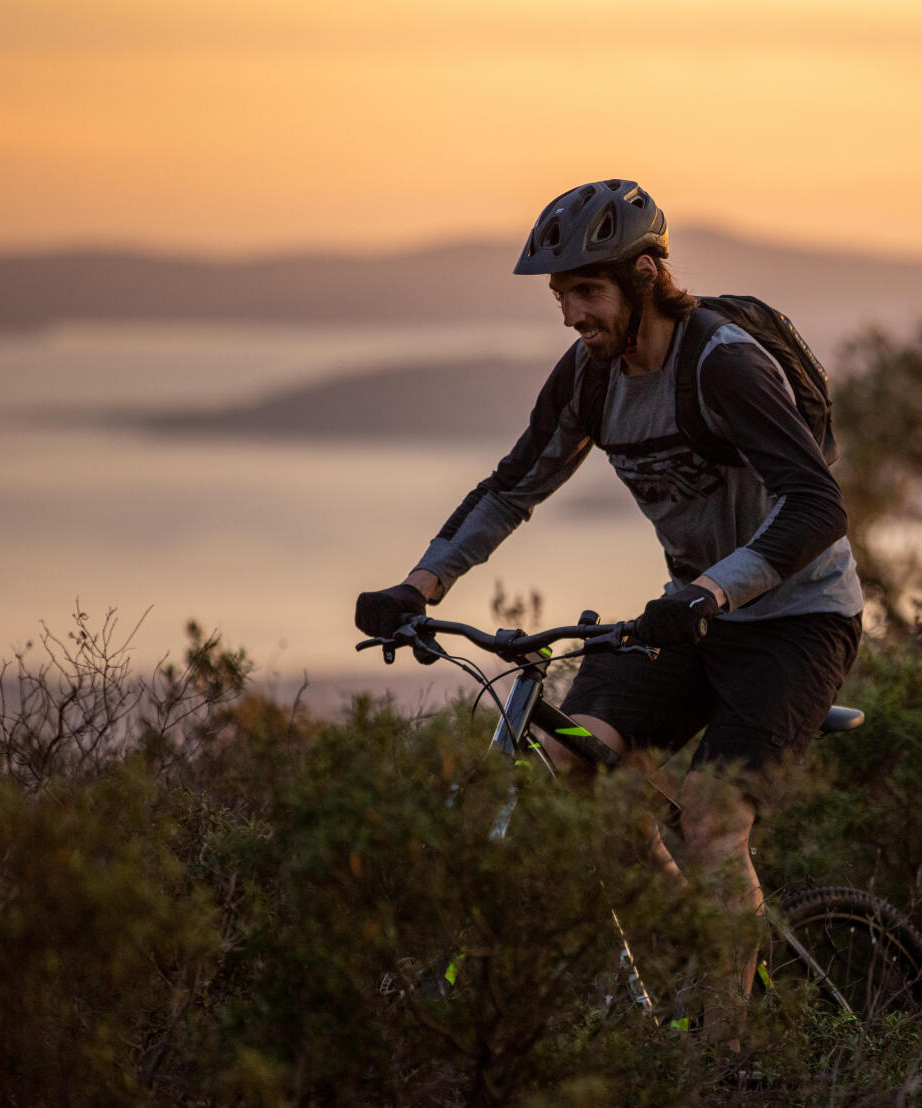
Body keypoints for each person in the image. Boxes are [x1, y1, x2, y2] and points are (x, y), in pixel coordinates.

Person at [354, 179, 863, 1039]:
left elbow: (817, 505)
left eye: (586, 293)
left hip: (796, 622)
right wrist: (419, 588)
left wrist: (709, 589)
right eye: (560, 297)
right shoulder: (591, 376)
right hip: (687, 617)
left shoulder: (722, 363)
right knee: (571, 763)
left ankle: (719, 1061)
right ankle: (697, 937)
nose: (570, 317)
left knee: (711, 815)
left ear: (647, 277)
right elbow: (513, 486)